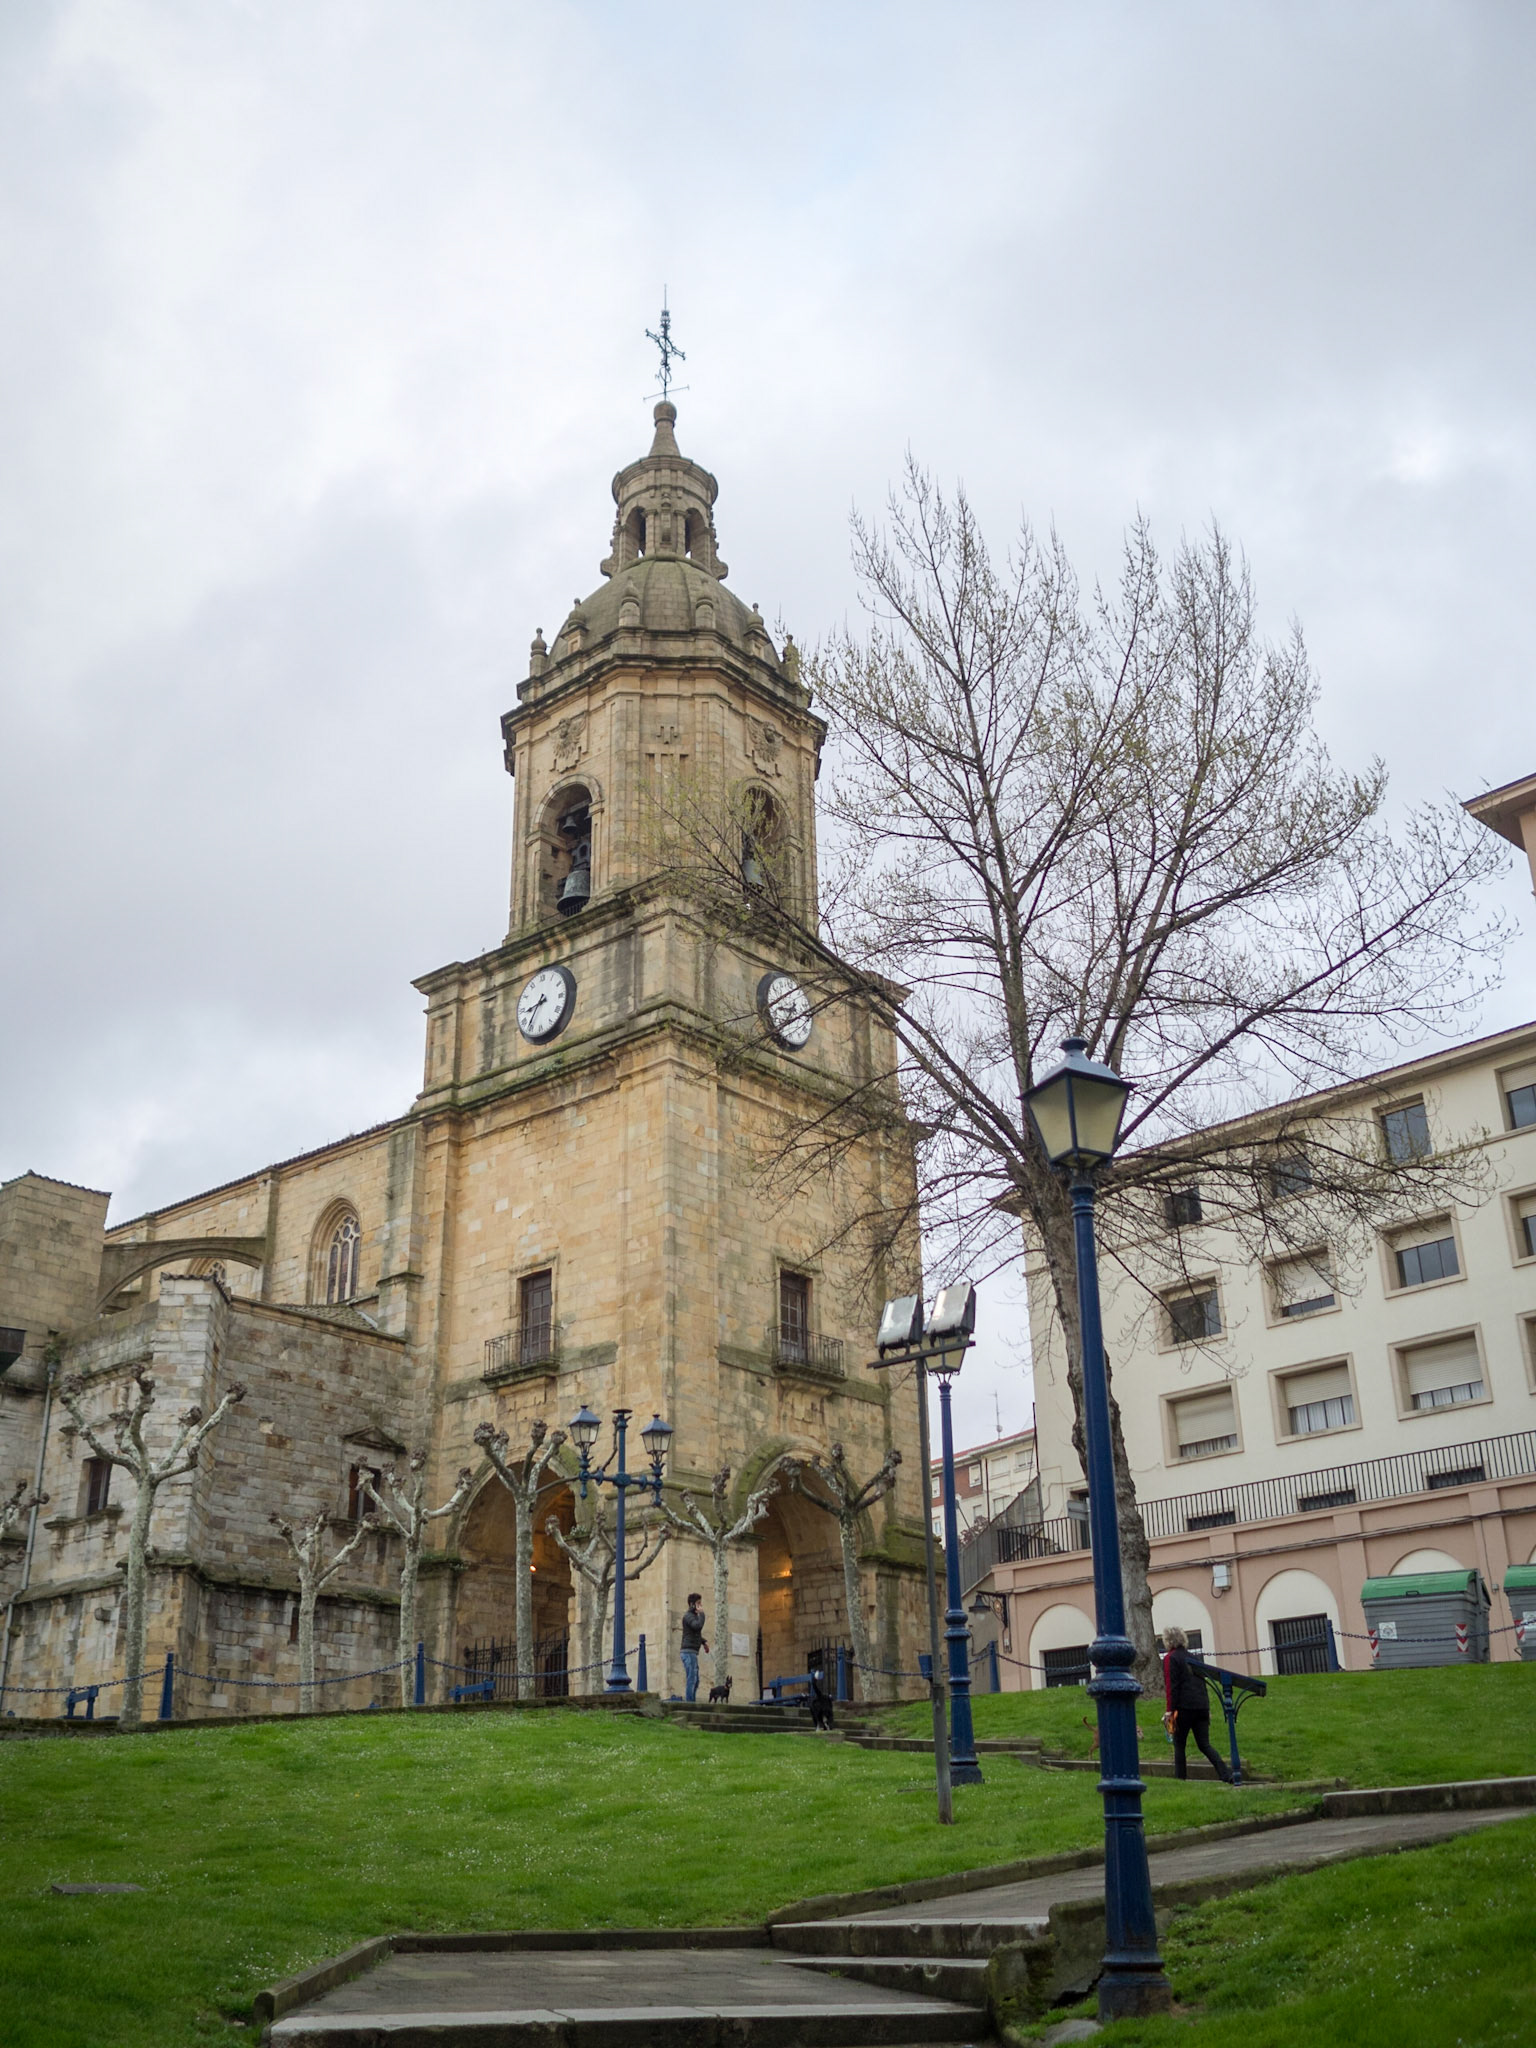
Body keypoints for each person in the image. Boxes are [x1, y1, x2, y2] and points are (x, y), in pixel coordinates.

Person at [1161, 1626, 1232, 1781]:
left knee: (1179, 1746)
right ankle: (1226, 1775)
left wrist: (1169, 1711)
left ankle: (1180, 1780)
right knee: (1204, 1745)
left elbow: (1171, 1686)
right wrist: (1206, 1709)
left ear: (1167, 1641)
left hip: (1183, 1708)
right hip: (1200, 1706)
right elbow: (1202, 1683)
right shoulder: (1193, 1658)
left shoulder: (1169, 1658)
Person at [679, 1592, 708, 1703]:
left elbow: (694, 1634)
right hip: (688, 1652)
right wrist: (702, 1614)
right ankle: (690, 1703)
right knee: (692, 1678)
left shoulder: (694, 1616)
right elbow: (697, 1626)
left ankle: (692, 1700)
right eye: (698, 1603)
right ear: (692, 1604)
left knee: (696, 1680)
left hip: (693, 1652)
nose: (700, 1606)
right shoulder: (688, 1616)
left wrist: (704, 1642)